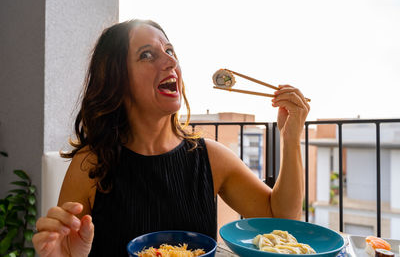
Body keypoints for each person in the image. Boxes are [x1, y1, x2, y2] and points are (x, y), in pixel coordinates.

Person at [32, 19, 310, 257]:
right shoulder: (90, 165)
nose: (171, 61)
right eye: (147, 55)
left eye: (169, 50)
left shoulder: (211, 157)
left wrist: (291, 137)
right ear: (117, 80)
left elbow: (281, 220)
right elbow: (68, 248)